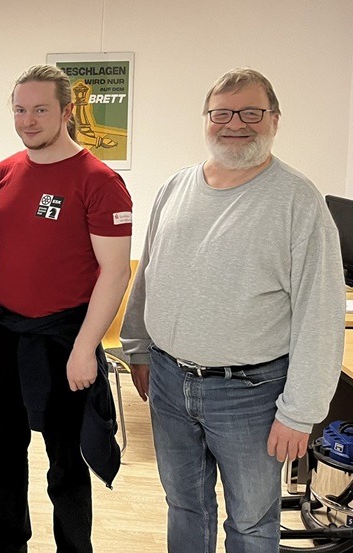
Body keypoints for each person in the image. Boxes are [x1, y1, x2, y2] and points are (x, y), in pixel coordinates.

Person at [121, 68, 346, 553]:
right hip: (168, 381)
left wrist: (300, 412)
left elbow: (320, 316)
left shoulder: (298, 201)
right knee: (184, 506)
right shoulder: (176, 186)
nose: (235, 124)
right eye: (221, 113)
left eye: (251, 113)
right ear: (206, 119)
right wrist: (137, 346)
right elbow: (150, 272)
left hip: (251, 394)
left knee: (251, 522)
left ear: (275, 120)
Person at [0, 64, 132, 553]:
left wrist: (85, 348)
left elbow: (115, 273)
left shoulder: (99, 181)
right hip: (0, 331)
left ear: (66, 111)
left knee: (66, 461)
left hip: (62, 338)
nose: (28, 120)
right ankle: (8, 543)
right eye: (20, 109)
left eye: (40, 109)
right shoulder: (4, 171)